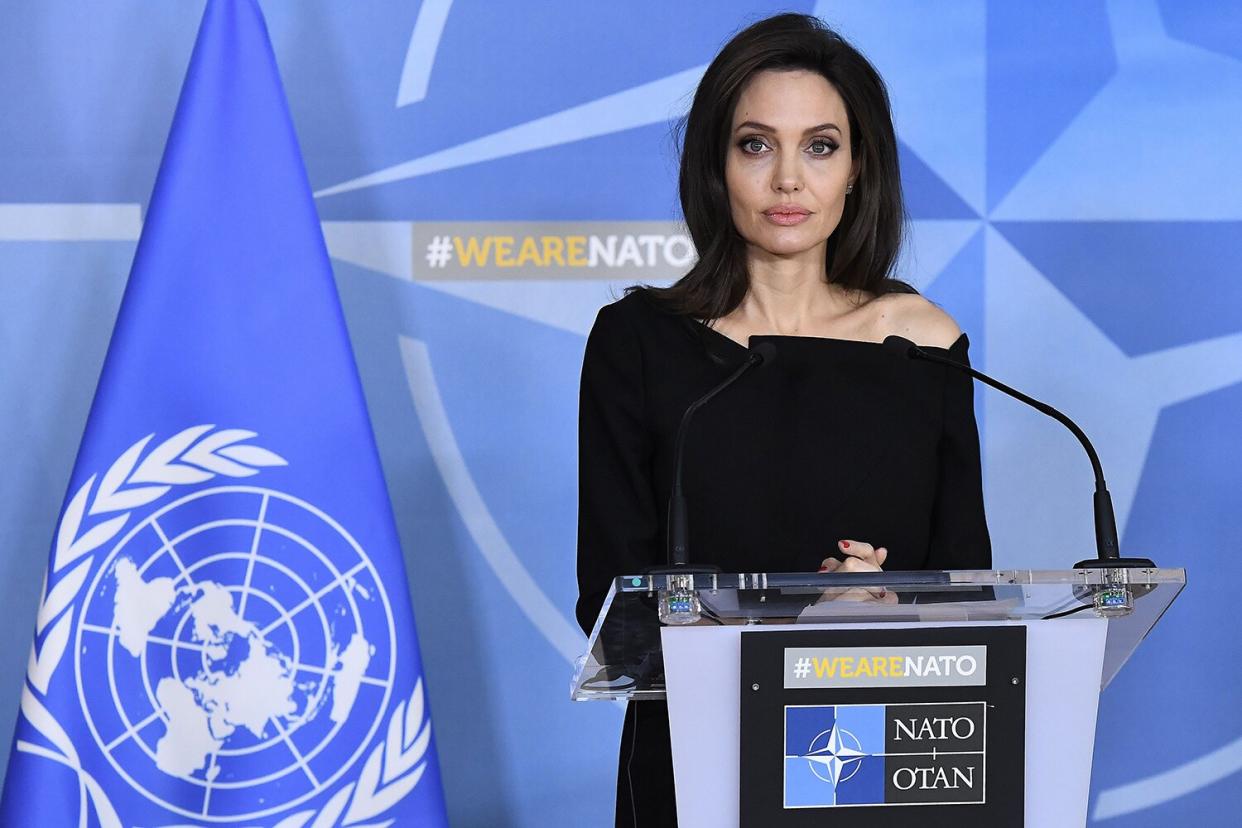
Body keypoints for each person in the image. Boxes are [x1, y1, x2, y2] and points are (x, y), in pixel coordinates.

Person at [575, 12, 991, 827]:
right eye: (756, 144)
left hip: (878, 757)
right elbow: (608, 599)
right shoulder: (640, 344)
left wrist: (886, 604)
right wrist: (798, 614)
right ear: (715, 164)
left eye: (821, 145)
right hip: (694, 758)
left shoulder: (922, 342)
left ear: (858, 168)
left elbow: (964, 593)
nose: (789, 180)